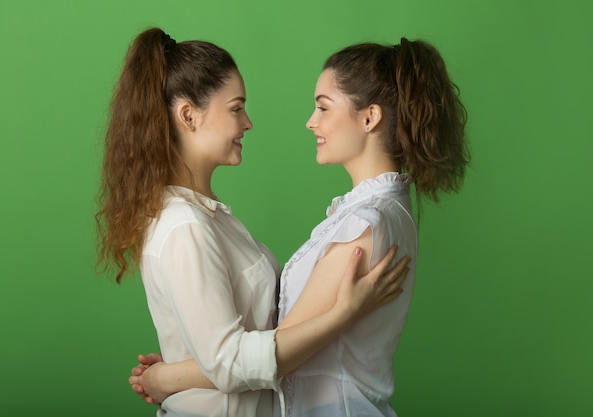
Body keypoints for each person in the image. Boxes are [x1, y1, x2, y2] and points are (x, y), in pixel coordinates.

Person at [129, 36, 469, 416]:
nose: (311, 122)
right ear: (188, 116)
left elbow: (276, 351)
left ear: (370, 118)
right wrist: (187, 361)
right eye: (236, 108)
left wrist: (167, 378)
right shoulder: (383, 211)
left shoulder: (364, 223)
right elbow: (249, 355)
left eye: (323, 108)